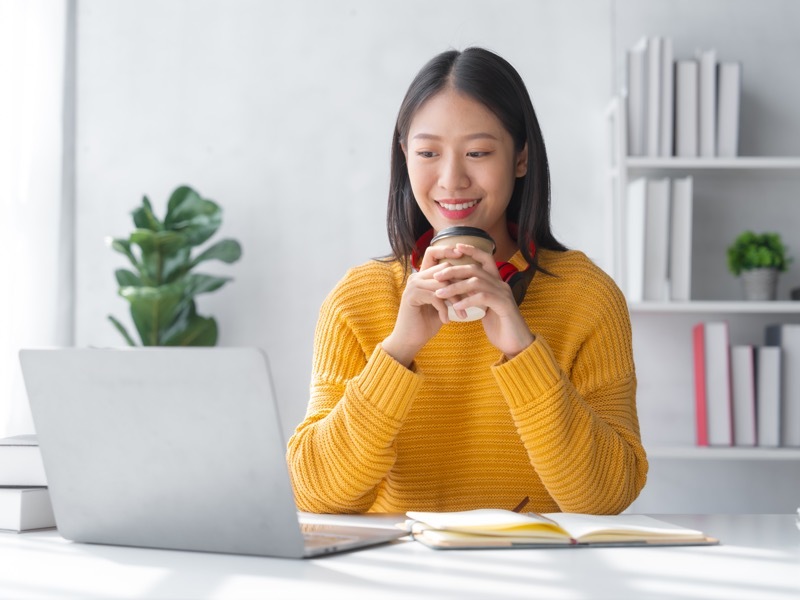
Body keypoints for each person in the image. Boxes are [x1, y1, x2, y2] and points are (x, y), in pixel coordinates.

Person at [287, 47, 648, 515]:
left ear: (521, 158)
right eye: (428, 153)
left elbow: (607, 498)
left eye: (478, 152)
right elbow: (315, 494)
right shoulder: (358, 299)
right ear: (404, 157)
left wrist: (523, 351)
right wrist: (397, 352)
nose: (452, 179)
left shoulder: (586, 296)